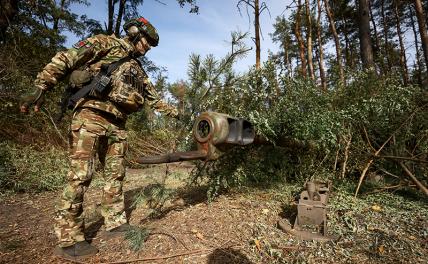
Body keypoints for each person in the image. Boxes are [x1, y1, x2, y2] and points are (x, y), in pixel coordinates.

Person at [20, 17, 178, 257]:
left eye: (150, 46)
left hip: (118, 124)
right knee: (81, 175)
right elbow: (68, 56)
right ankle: (68, 238)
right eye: (146, 42)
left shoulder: (137, 70)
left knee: (116, 174)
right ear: (135, 34)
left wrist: (179, 115)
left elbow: (154, 99)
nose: (147, 48)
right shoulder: (107, 44)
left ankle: (115, 223)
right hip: (91, 115)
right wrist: (41, 86)